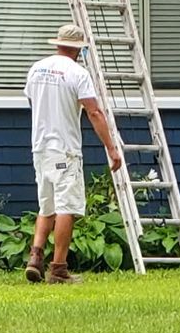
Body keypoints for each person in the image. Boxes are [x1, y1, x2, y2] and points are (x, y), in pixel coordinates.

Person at [23, 23, 123, 284]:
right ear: (78, 48)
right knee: (67, 207)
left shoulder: (36, 69)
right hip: (65, 149)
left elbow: (32, 103)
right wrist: (111, 148)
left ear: (57, 43)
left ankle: (35, 257)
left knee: (47, 206)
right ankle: (58, 269)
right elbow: (94, 112)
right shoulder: (78, 73)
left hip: (40, 147)